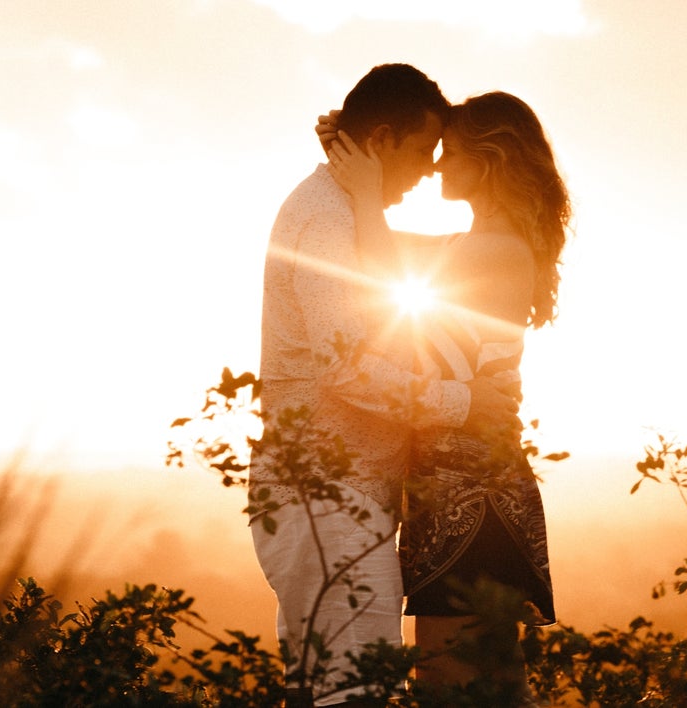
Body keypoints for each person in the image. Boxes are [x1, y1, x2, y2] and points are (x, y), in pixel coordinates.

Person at [249, 64, 520, 708]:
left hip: (338, 494)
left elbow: (417, 266)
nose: (429, 169)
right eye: (423, 149)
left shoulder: (344, 211)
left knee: (323, 690)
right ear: (382, 141)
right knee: (356, 693)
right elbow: (348, 368)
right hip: (325, 497)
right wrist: (464, 403)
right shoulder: (326, 220)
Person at [322, 90, 570, 702]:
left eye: (450, 152)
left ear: (486, 163)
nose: (434, 165)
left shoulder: (498, 249)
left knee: (455, 688)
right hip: (453, 490)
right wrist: (357, 162)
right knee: (463, 684)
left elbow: (377, 259)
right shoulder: (479, 242)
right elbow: (385, 248)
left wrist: (363, 178)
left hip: (475, 497)